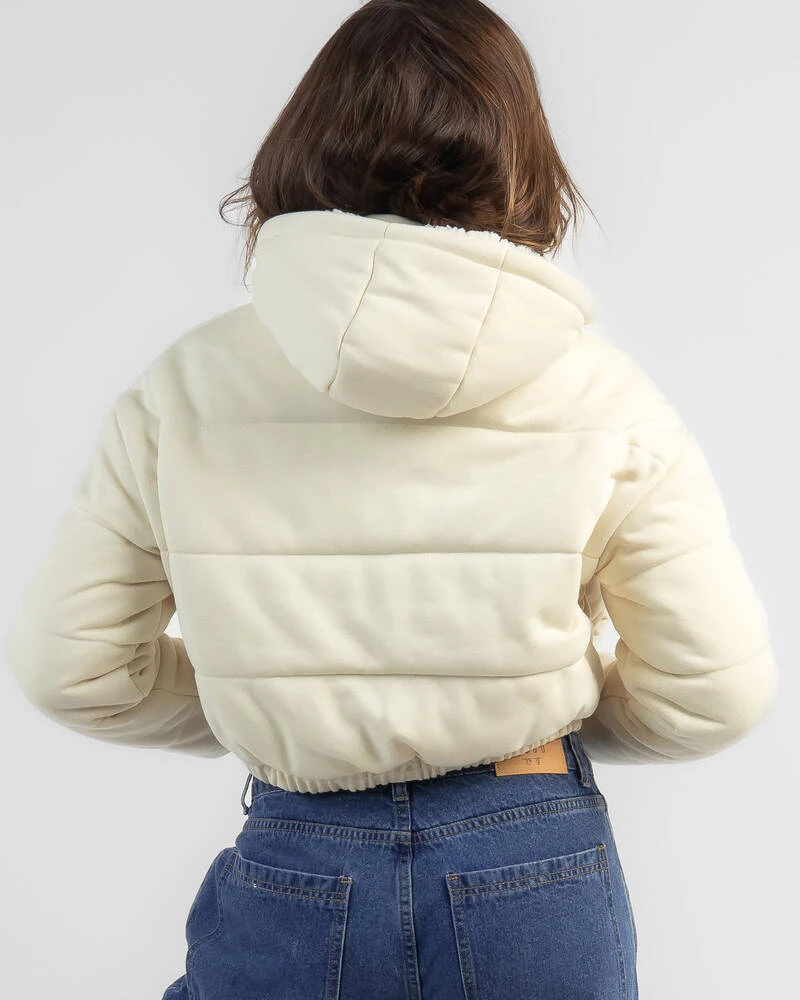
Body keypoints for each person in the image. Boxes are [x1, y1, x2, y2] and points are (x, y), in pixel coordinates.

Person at [5, 2, 778, 998]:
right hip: (528, 855)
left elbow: (72, 668)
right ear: (522, 162)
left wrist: (284, 698)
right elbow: (712, 691)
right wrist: (526, 711)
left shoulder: (183, 389)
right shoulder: (603, 397)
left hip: (299, 856)